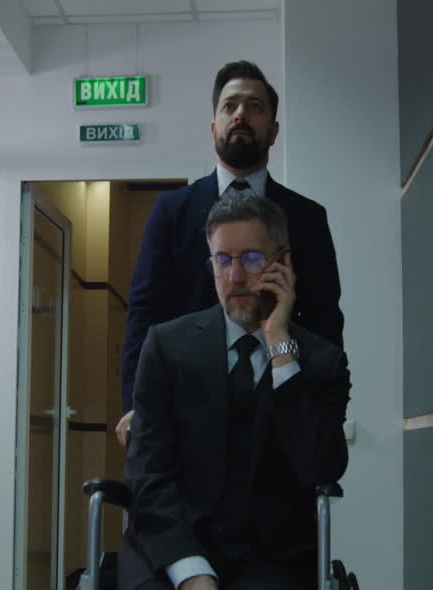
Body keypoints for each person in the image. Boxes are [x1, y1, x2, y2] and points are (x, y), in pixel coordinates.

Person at [113, 190, 351, 590]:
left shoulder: (319, 361)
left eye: (251, 259)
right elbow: (148, 476)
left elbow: (320, 467)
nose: (236, 276)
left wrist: (280, 342)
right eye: (223, 260)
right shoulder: (167, 346)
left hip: (271, 561)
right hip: (168, 550)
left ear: (283, 264)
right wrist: (194, 579)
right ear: (210, 264)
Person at [116, 60, 344, 446]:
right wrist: (135, 405)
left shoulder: (307, 217)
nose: (240, 114)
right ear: (214, 128)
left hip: (277, 410)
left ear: (273, 132)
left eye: (254, 107)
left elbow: (324, 321)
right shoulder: (171, 212)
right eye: (229, 106)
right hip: (182, 406)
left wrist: (324, 408)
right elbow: (145, 315)